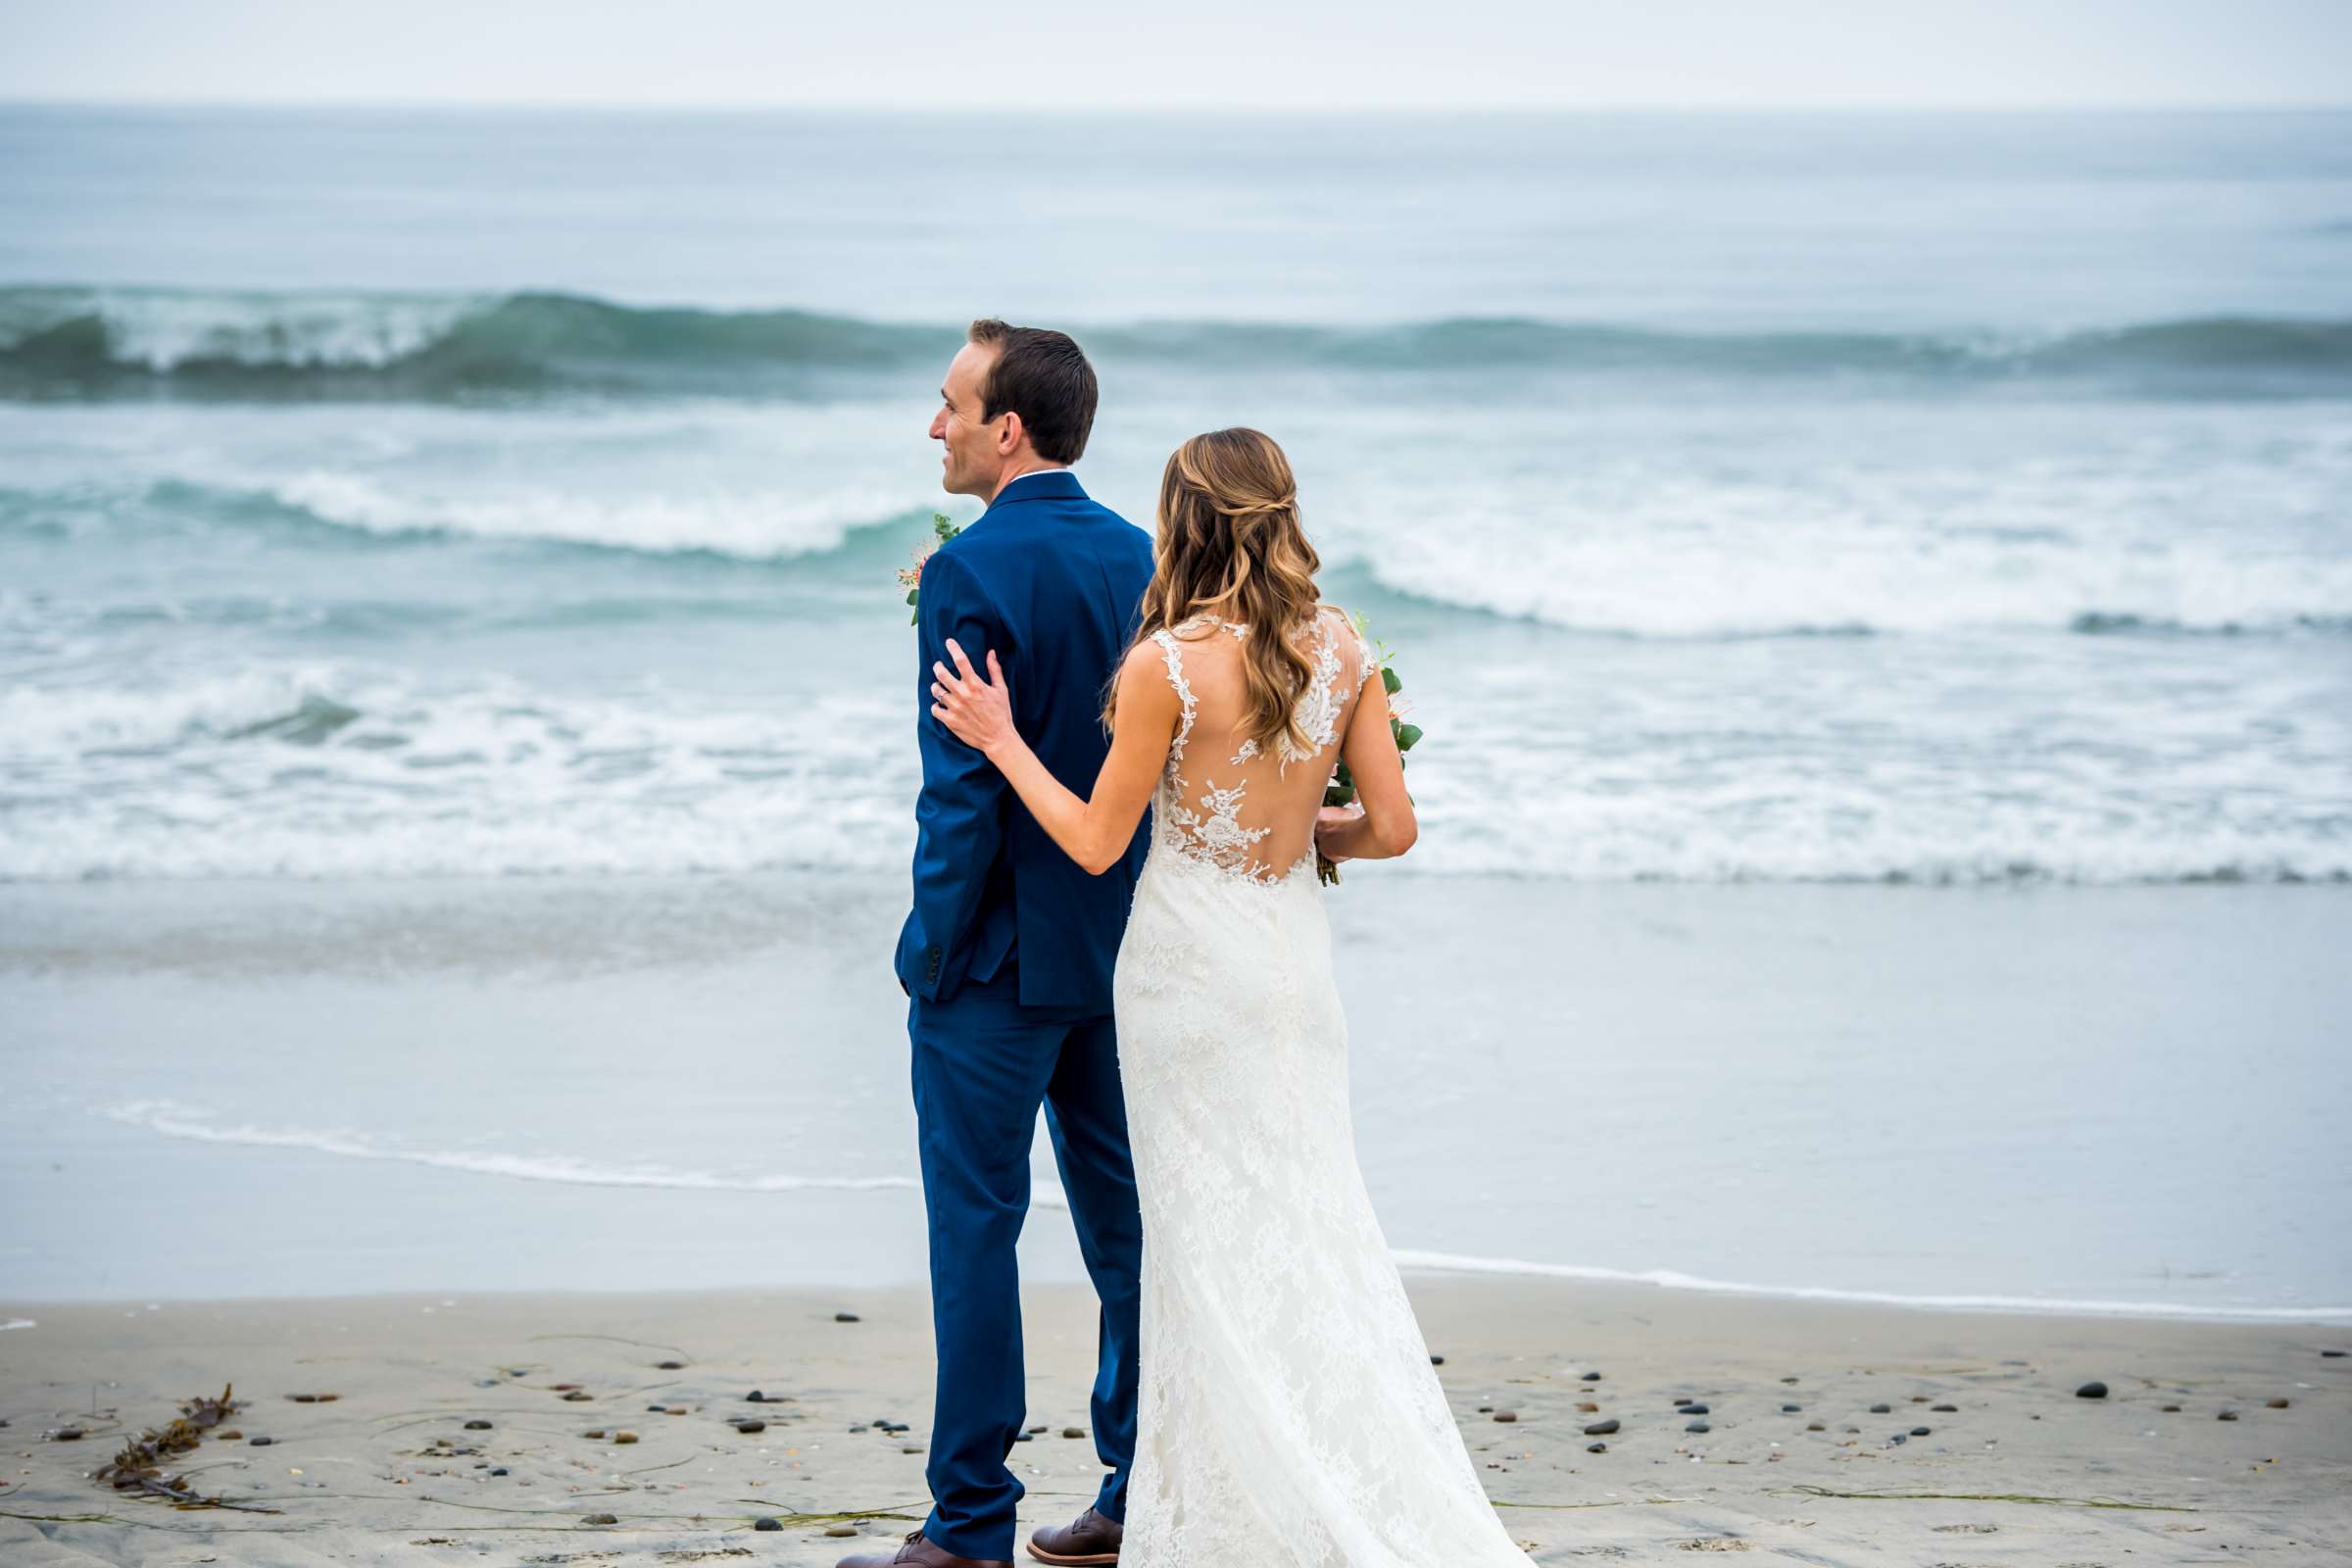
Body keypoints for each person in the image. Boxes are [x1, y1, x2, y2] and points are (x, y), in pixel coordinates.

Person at [927, 427, 1536, 1564]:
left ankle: (1234, 1506)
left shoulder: (1167, 664)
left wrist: (1004, 741)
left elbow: (1098, 842)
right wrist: (1305, 829)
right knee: (1311, 1221)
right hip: (1294, 972)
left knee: (1202, 1245)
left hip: (1189, 981)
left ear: (1182, 521)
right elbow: (1394, 829)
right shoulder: (1341, 646)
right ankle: (1326, 1478)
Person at [848, 320, 1152, 1568]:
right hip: (1121, 946)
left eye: (951, 404)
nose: (936, 426)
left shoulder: (970, 572)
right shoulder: (1144, 554)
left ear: (1007, 427)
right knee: (1125, 1227)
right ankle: (1138, 1482)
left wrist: (931, 945)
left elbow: (960, 794)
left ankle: (969, 1521)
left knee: (975, 1227)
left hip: (994, 965)